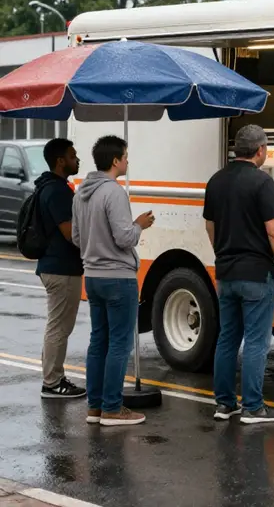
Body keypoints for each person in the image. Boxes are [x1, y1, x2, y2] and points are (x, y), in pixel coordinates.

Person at [204, 124, 274, 424]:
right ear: (260, 151)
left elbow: (210, 225)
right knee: (256, 341)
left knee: (227, 338)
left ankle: (224, 403)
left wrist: (222, 253)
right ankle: (253, 407)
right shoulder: (262, 182)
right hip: (257, 273)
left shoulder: (216, 180)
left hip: (226, 272)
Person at [72, 135, 155, 427]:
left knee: (99, 341)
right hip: (118, 278)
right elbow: (124, 238)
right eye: (126, 156)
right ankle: (112, 408)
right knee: (120, 344)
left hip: (92, 276)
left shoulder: (81, 192)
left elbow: (77, 238)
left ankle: (95, 407)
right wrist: (139, 225)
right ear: (115, 161)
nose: (128, 160)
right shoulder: (115, 193)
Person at [36, 138, 86, 400]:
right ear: (60, 161)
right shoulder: (56, 191)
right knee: (59, 327)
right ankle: (52, 382)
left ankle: (53, 376)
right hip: (61, 268)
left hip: (54, 266)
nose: (77, 160)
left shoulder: (49, 186)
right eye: (72, 156)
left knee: (56, 325)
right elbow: (70, 233)